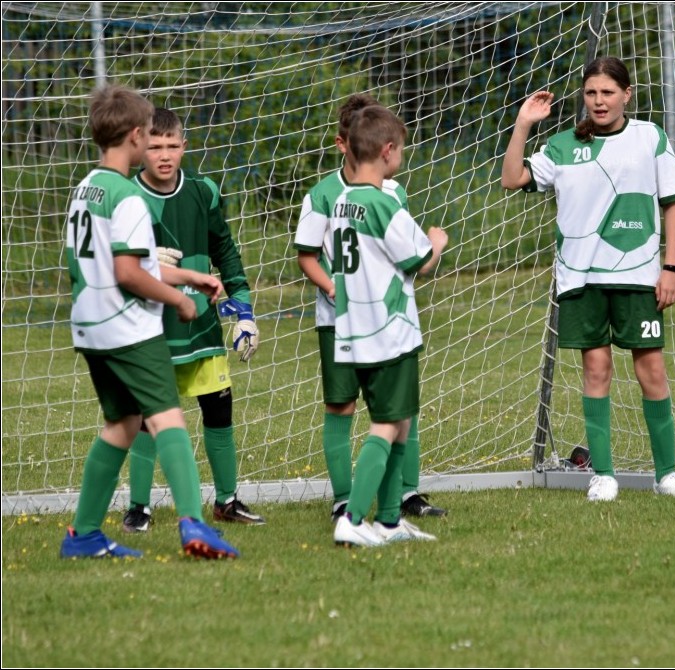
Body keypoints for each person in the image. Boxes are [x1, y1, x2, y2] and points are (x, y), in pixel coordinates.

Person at [500, 56, 675, 501]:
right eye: (591, 93)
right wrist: (522, 125)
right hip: (580, 277)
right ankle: (604, 475)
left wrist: (671, 267)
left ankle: (666, 474)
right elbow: (511, 177)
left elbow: (673, 203)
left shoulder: (649, 138)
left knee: (651, 368)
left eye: (608, 92)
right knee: (596, 369)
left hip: (639, 275)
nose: (599, 101)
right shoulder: (562, 146)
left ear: (626, 95)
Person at [60, 84, 240, 559]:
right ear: (137, 137)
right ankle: (195, 526)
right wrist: (178, 301)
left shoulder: (84, 190)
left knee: (121, 424)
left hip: (90, 325)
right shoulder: (128, 198)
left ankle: (84, 535)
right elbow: (129, 273)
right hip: (127, 328)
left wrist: (188, 276)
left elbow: (100, 263)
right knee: (169, 420)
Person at [296, 104, 447, 546]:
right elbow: (420, 261)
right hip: (388, 330)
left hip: (354, 329)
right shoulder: (384, 204)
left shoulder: (342, 202)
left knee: (397, 421)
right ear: (386, 151)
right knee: (387, 423)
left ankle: (388, 520)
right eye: (400, 149)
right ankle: (353, 516)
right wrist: (436, 241)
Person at [120, 107, 265, 533]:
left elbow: (227, 253)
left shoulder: (204, 191)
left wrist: (244, 311)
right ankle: (138, 507)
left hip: (202, 325)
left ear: (185, 146)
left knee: (218, 408)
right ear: (140, 147)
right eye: (155, 146)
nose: (164, 155)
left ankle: (227, 500)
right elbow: (115, 267)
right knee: (148, 417)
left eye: (172, 146)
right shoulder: (128, 198)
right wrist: (145, 262)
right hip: (150, 328)